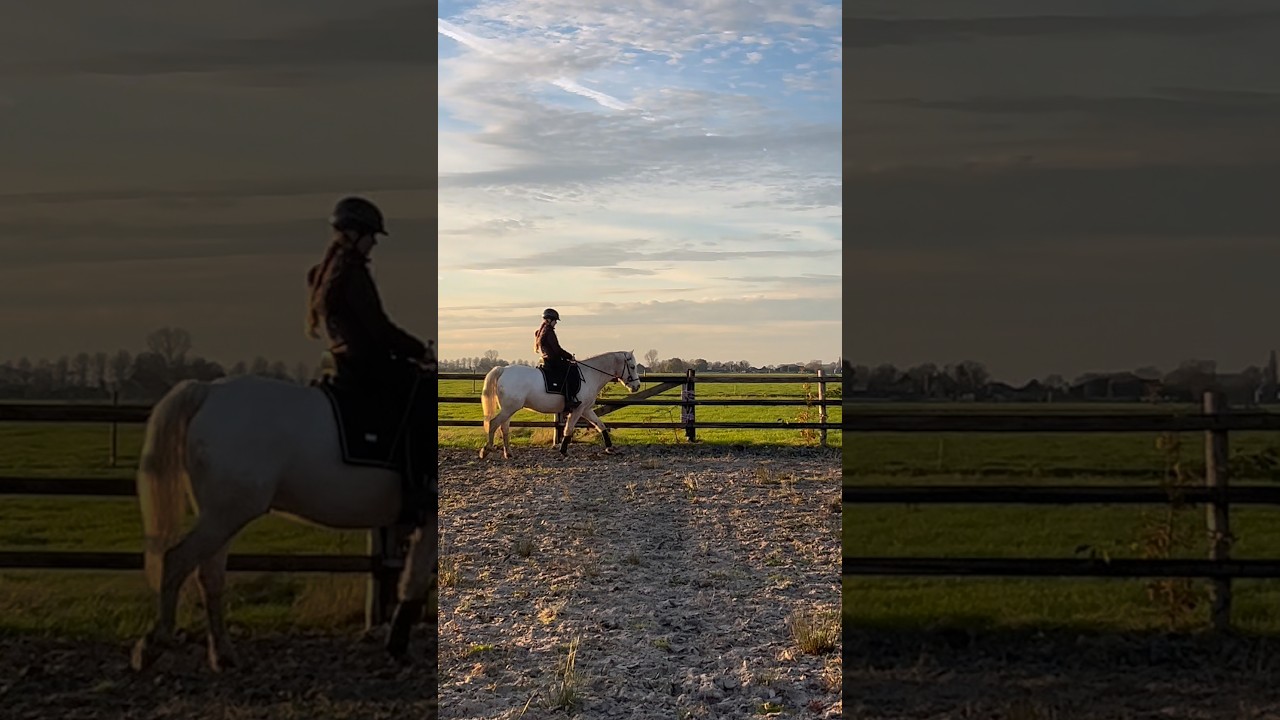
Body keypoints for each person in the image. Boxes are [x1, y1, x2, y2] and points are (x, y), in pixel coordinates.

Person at [305, 196, 434, 526]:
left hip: (342, 357)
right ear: (352, 234)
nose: (374, 242)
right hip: (364, 359)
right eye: (370, 235)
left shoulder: (326, 273)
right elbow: (377, 326)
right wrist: (418, 349)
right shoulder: (351, 272)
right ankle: (417, 486)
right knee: (421, 397)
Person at [534, 308, 579, 410]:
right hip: (552, 360)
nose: (556, 323)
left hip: (546, 359)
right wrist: (569, 356)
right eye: (555, 321)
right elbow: (557, 349)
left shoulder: (541, 332)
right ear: (550, 320)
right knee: (570, 372)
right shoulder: (549, 332)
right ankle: (569, 400)